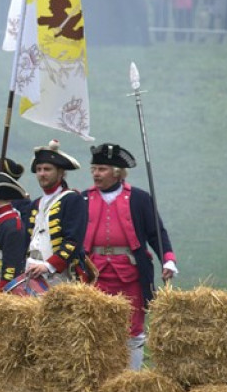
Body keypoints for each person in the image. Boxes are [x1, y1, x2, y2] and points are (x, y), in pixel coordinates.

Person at [81, 143, 176, 370]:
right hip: (94, 274)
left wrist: (168, 259)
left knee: (132, 329)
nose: (96, 174)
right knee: (96, 328)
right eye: (94, 169)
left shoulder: (140, 199)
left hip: (130, 273)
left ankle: (130, 377)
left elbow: (156, 232)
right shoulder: (83, 199)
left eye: (102, 169)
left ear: (117, 172)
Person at [23, 140, 89, 285]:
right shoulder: (35, 204)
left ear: (60, 173)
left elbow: (73, 240)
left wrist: (48, 265)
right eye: (39, 169)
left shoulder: (72, 199)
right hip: (33, 273)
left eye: (47, 169)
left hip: (60, 275)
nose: (42, 174)